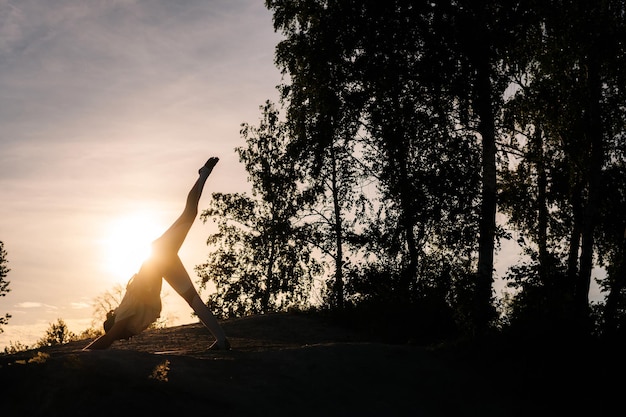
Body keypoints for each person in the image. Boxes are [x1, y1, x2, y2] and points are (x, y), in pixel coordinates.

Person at [84, 157, 230, 351]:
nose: (125, 338)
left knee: (189, 214)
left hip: (159, 254)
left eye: (121, 336)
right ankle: (222, 341)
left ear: (114, 324)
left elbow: (109, 338)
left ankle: (203, 174)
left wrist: (83, 352)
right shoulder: (132, 321)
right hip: (163, 264)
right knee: (192, 299)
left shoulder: (123, 317)